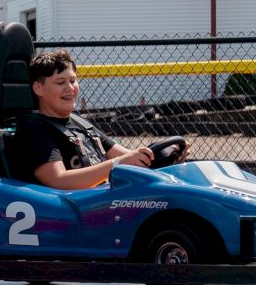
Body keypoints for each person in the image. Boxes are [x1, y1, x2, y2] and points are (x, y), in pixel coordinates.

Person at [11, 48, 186, 189]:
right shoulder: (34, 128)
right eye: (60, 82)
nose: (70, 88)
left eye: (73, 81)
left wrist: (166, 158)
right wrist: (117, 164)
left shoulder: (80, 123)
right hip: (72, 211)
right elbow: (59, 180)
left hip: (100, 201)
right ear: (38, 89)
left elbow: (128, 157)